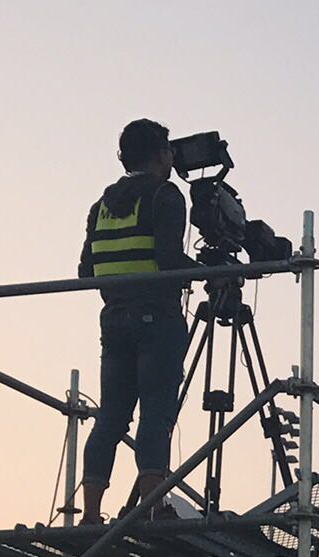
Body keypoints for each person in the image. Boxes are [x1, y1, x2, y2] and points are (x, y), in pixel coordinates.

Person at [76, 118, 199, 524]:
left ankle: (90, 513)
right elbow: (166, 260)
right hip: (156, 320)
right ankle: (152, 508)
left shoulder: (102, 206)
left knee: (110, 416)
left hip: (113, 320)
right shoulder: (165, 195)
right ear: (161, 154)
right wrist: (206, 272)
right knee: (155, 414)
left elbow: (86, 272)